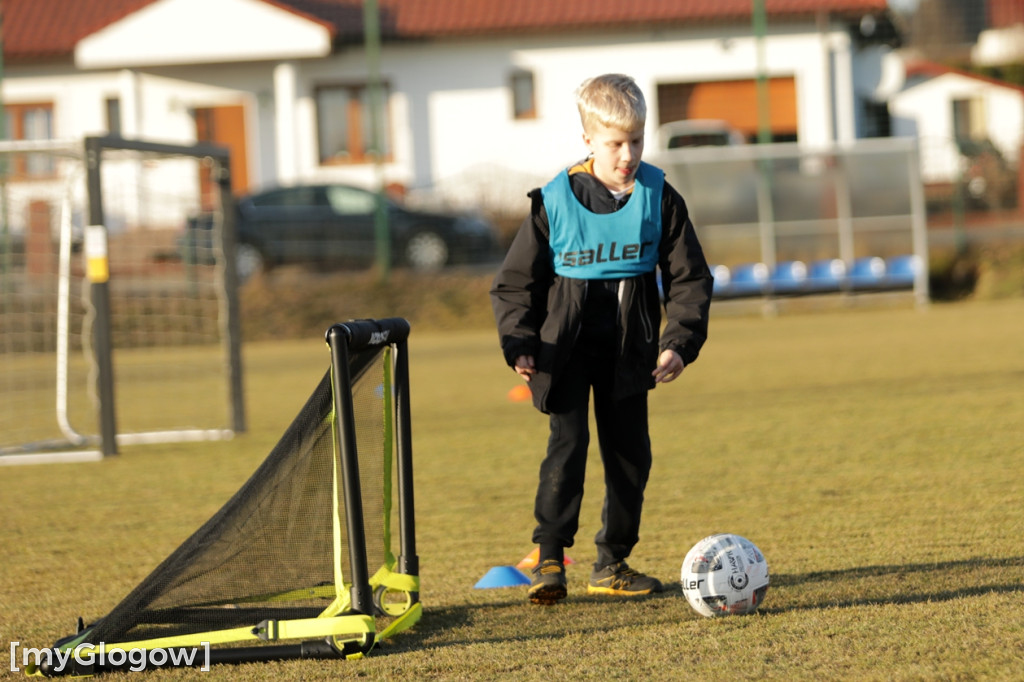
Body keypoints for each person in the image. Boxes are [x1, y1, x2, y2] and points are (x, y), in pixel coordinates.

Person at [490, 74, 714, 605]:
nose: (629, 154)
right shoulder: (554, 200)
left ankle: (613, 562)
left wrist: (678, 342)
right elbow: (516, 282)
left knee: (630, 456)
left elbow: (690, 279)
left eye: (636, 140)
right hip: (562, 351)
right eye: (616, 143)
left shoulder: (660, 197)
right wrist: (520, 341)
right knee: (566, 450)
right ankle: (549, 558)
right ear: (588, 139)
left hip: (628, 353)